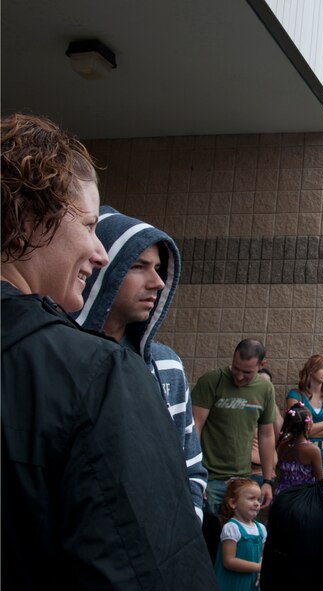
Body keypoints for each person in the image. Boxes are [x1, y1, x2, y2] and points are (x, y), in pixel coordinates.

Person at [1, 113, 216, 588]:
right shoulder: (96, 374)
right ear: (28, 221)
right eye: (89, 225)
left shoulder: (155, 367)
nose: (99, 255)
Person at [74, 206, 208, 522]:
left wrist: (182, 535)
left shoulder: (168, 366)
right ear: (101, 267)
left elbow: (190, 467)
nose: (157, 281)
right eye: (138, 266)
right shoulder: (56, 360)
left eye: (159, 268)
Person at [193, 339, 278, 515]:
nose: (239, 376)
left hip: (242, 481)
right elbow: (195, 426)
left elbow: (266, 435)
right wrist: (195, 475)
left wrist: (268, 481)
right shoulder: (212, 380)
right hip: (209, 478)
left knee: (236, 537)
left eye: (246, 372)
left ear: (262, 365)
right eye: (236, 368)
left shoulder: (265, 389)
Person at [286, 354, 323, 485]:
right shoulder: (295, 395)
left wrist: (309, 429)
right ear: (311, 369)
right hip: (304, 457)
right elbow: (295, 429)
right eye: (322, 367)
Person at [214, 478, 267, 591]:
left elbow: (262, 555)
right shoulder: (232, 528)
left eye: (259, 499)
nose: (257, 503)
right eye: (251, 498)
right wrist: (259, 567)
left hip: (251, 583)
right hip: (232, 583)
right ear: (233, 503)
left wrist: (261, 570)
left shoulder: (261, 529)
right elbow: (229, 561)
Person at [275, 403, 323, 494]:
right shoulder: (313, 451)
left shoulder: (282, 446)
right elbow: (319, 481)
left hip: (281, 497)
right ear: (308, 425)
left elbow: (279, 473)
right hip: (302, 499)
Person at [250, 367, 280, 489]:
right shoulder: (247, 405)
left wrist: (271, 403)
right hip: (250, 474)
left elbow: (280, 435)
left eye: (268, 385)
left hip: (269, 475)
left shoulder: (271, 408)